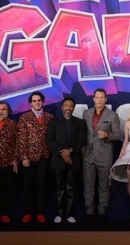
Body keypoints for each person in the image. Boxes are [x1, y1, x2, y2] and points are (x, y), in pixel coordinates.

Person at [82, 87, 122, 221]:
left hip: (104, 156)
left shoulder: (112, 115)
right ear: (93, 99)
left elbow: (118, 135)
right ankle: (89, 211)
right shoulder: (86, 113)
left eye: (102, 98)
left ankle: (102, 211)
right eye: (97, 97)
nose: (99, 100)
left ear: (105, 99)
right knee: (88, 186)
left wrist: (107, 135)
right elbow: (83, 133)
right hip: (88, 156)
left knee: (104, 186)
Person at [46, 96, 86, 224]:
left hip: (73, 160)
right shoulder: (54, 122)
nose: (68, 108)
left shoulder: (80, 123)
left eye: (71, 106)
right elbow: (50, 140)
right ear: (62, 107)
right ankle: (59, 214)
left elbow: (81, 140)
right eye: (66, 105)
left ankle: (69, 214)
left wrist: (70, 151)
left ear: (73, 108)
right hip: (58, 160)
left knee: (71, 188)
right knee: (59, 188)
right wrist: (62, 152)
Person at [16, 91, 54, 223]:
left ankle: (40, 212)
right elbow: (21, 139)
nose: (37, 103)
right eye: (34, 101)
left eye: (39, 100)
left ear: (42, 102)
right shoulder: (24, 117)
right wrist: (24, 157)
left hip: (44, 157)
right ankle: (28, 212)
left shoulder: (50, 117)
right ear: (30, 103)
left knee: (41, 186)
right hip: (28, 158)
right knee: (27, 186)